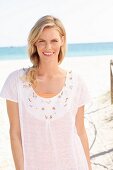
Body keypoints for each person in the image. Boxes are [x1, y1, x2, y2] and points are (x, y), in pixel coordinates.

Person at [0, 15, 92, 170]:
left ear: (62, 40)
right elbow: (15, 134)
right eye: (42, 41)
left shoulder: (76, 82)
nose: (48, 47)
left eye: (54, 40)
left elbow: (80, 132)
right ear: (35, 43)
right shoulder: (16, 82)